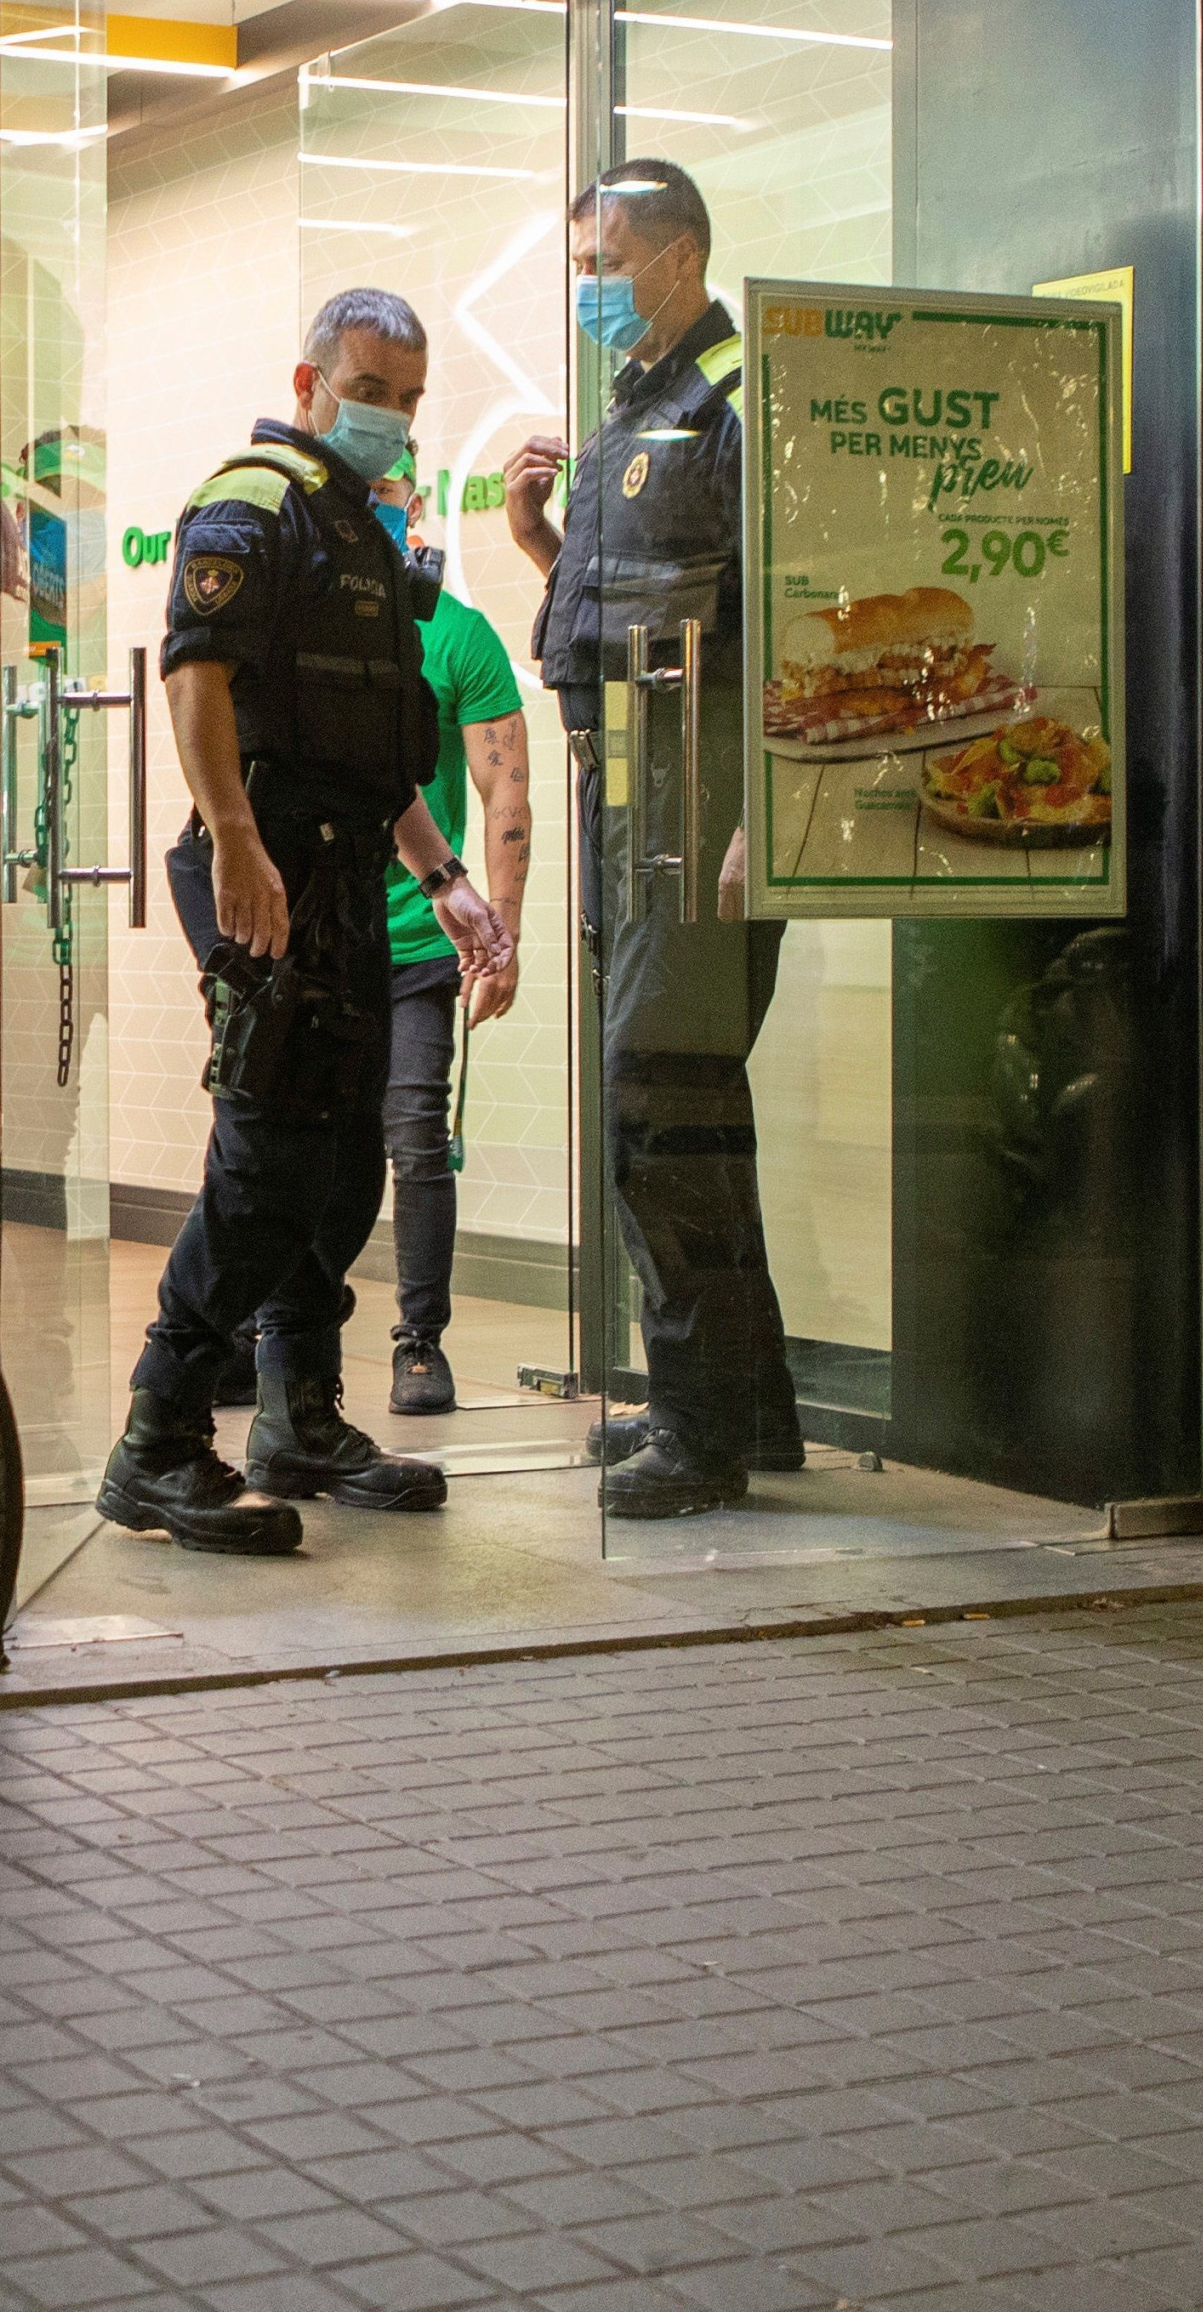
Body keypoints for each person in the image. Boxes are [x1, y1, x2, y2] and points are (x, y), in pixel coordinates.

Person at [101, 287, 512, 1558]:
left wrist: (446, 879)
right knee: (269, 1150)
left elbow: (371, 749)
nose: (389, 415)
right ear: (309, 382)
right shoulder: (256, 500)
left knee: (340, 1160)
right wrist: (233, 835)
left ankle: (298, 1417)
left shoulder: (360, 525)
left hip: (344, 870)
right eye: (369, 390)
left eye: (407, 398)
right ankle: (159, 1437)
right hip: (263, 860)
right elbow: (194, 676)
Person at [502, 160, 803, 1520]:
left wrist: (762, 818)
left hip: (700, 804)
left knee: (657, 1102)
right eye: (579, 264)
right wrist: (537, 540)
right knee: (688, 1103)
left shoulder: (737, 405)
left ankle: (698, 1426)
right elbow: (633, 619)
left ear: (680, 256)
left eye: (605, 261)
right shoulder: (641, 406)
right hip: (631, 794)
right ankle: (750, 1407)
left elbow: (794, 617)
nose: (589, 287)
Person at [375, 518, 531, 1417]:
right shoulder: (300, 619)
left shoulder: (459, 635)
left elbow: (505, 787)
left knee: (417, 1139)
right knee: (297, 1140)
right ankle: (270, 1338)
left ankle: (419, 1343)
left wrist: (501, 932)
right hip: (312, 934)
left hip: (420, 942)